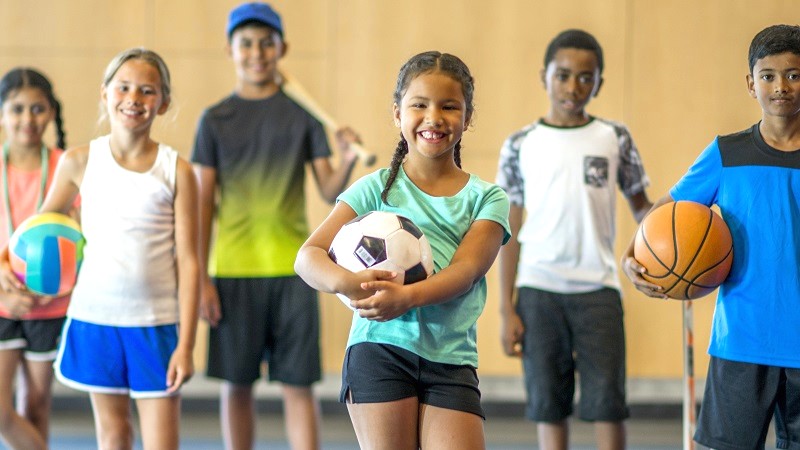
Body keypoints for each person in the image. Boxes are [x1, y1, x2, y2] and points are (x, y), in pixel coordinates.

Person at [295, 50, 511, 450]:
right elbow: (308, 256)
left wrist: (408, 297)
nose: (434, 118)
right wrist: (349, 282)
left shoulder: (488, 198)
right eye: (419, 105)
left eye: (449, 106)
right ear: (398, 114)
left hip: (451, 359)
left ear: (467, 117)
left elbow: (465, 271)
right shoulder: (374, 189)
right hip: (379, 349)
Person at [8, 48, 199, 450]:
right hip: (95, 319)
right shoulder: (79, 161)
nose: (134, 98)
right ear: (104, 93)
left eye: (147, 91)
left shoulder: (177, 169)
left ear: (162, 102)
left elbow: (190, 261)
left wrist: (186, 344)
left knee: (162, 442)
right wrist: (7, 264)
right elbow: (36, 231)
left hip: (157, 325)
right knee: (113, 437)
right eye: (124, 87)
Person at [190, 3, 361, 449]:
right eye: (245, 43)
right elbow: (202, 203)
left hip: (295, 270)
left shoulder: (302, 113)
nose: (257, 52)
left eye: (267, 43)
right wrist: (203, 279)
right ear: (230, 49)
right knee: (237, 385)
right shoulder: (214, 120)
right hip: (232, 271)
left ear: (282, 47)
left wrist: (344, 160)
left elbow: (328, 189)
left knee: (299, 385)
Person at [622, 24, 800, 450]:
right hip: (741, 338)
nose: (781, 87)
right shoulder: (726, 153)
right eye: (768, 75)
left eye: (794, 74)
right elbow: (662, 212)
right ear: (750, 83)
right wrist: (633, 257)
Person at [495, 29, 652, 450]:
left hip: (598, 288)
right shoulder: (519, 145)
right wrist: (505, 308)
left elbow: (645, 212)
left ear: (599, 83)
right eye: (562, 75)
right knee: (549, 406)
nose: (573, 87)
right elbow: (507, 230)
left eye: (585, 77)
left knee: (608, 405)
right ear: (543, 76)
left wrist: (683, 230)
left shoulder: (614, 137)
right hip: (538, 290)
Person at [0, 68, 68, 450]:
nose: (28, 119)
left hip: (50, 304)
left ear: (51, 113)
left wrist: (58, 285)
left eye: (38, 109)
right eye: (18, 109)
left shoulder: (67, 165)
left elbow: (80, 237)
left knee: (37, 405)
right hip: (3, 301)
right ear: (2, 114)